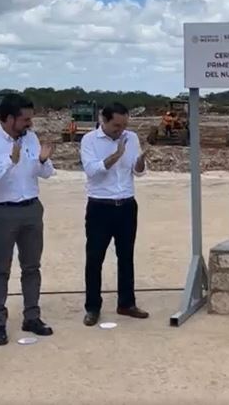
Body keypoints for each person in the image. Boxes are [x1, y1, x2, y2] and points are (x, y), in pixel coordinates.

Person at [0, 93, 55, 346]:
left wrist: (42, 159)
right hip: (2, 212)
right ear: (8, 118)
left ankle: (32, 316)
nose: (30, 124)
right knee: (0, 269)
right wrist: (10, 162)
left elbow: (47, 173)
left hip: (31, 208)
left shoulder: (31, 138)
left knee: (32, 267)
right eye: (25, 119)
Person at [79, 102, 150, 326]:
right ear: (103, 120)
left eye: (124, 125)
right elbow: (92, 171)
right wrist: (115, 156)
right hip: (100, 206)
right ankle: (92, 307)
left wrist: (140, 162)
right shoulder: (89, 140)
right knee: (94, 258)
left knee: (126, 256)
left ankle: (126, 303)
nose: (121, 130)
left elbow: (138, 173)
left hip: (127, 205)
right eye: (116, 125)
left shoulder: (132, 138)